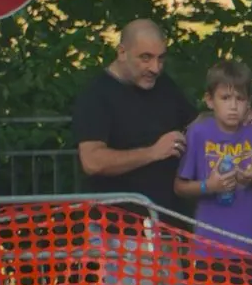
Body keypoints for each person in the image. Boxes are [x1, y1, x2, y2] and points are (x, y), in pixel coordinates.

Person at [72, 19, 198, 222]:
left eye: (161, 59)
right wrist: (153, 152)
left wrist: (238, 118)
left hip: (171, 223)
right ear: (122, 52)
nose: (155, 68)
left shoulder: (164, 85)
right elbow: (92, 161)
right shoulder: (96, 95)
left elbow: (196, 122)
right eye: (146, 58)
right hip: (120, 228)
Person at [175, 61, 252, 256]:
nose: (233, 106)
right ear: (209, 100)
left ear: (249, 102)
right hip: (209, 248)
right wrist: (209, 186)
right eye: (225, 98)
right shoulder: (198, 133)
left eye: (240, 99)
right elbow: (180, 187)